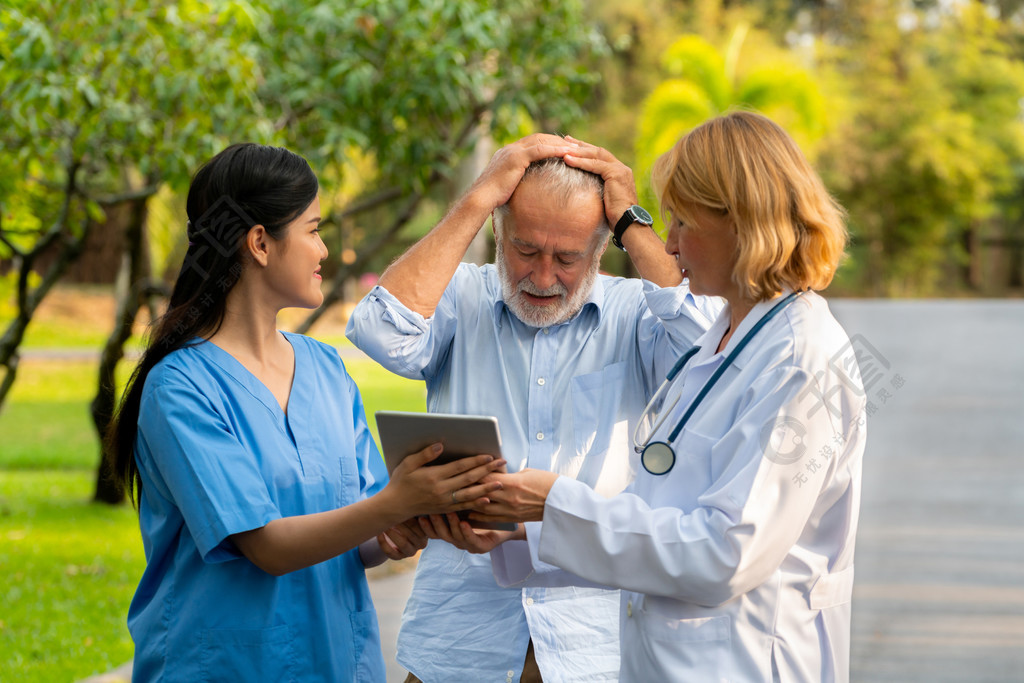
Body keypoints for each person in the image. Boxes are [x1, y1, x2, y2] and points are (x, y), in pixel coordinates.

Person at [435, 111, 867, 682]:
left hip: (746, 662)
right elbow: (658, 517)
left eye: (681, 222)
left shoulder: (800, 357)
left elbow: (724, 553)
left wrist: (554, 503)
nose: (666, 241)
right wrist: (521, 530)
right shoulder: (729, 339)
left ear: (739, 224)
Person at [106, 143, 505, 682]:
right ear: (260, 243)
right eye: (314, 229)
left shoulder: (325, 369)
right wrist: (392, 503)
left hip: (335, 664)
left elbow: (358, 529)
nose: (324, 249)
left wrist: (397, 527)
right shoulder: (180, 387)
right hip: (222, 668)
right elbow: (266, 546)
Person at [346, 133, 720, 682]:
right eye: (525, 250)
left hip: (593, 647)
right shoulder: (461, 296)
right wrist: (477, 199)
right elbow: (379, 331)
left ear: (600, 248)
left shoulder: (637, 312)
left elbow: (713, 346)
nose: (543, 278)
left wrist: (632, 221)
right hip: (457, 642)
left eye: (568, 258)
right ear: (498, 233)